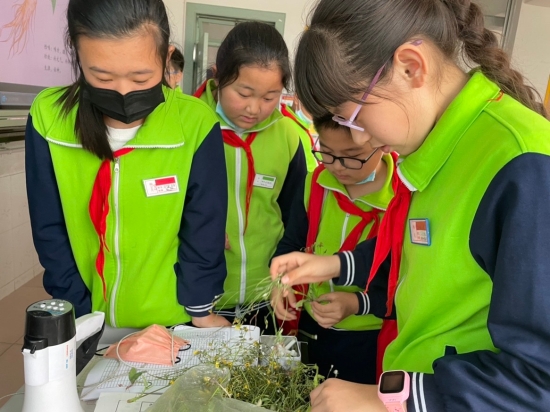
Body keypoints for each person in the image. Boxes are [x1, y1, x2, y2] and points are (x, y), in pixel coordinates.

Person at [270, 0, 550, 411]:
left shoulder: (524, 163)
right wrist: (332, 265)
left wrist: (388, 400)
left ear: (410, 67)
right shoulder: (434, 149)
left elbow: (538, 379)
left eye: (355, 118)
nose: (360, 140)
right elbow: (423, 263)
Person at [26, 0, 230, 339]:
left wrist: (200, 310)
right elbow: (49, 226)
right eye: (102, 76)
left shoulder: (195, 123)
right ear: (77, 56)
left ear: (166, 58)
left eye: (140, 77)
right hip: (86, 315)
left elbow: (204, 227)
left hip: (171, 318)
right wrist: (78, 308)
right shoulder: (49, 118)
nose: (122, 91)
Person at [194, 21, 307, 333]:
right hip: (201, 299)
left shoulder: (288, 135)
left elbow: (295, 215)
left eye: (270, 97)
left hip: (264, 296)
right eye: (243, 93)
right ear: (217, 77)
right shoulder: (190, 127)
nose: (254, 108)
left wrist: (282, 277)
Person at [271, 114, 396, 384]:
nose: (338, 166)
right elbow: (292, 242)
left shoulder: (401, 196)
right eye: (327, 153)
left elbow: (403, 278)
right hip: (313, 324)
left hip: (370, 334)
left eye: (352, 156)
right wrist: (281, 281)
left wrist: (357, 304)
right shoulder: (316, 184)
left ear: (382, 142)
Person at [280, 99, 318, 172]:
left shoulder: (299, 125)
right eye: (313, 104)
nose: (316, 111)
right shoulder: (288, 125)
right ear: (297, 99)